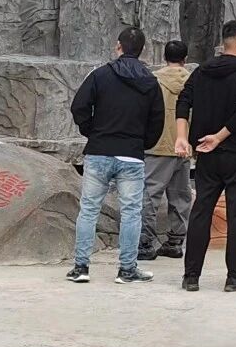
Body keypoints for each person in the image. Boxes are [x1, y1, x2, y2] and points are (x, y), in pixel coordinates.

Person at [68, 28, 164, 285]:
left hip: (99, 151)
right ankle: (127, 269)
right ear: (142, 50)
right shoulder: (150, 82)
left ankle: (81, 267)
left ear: (118, 46)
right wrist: (142, 143)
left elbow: (79, 106)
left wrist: (91, 131)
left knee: (89, 209)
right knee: (131, 212)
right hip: (131, 154)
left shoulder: (100, 75)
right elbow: (157, 120)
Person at [176, 21, 236, 293]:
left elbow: (183, 101)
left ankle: (191, 276)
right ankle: (235, 276)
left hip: (206, 153)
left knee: (201, 211)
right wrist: (220, 136)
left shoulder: (202, 70)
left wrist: (181, 136)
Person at [138, 40, 194, 262]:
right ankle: (176, 242)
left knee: (150, 195)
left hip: (158, 145)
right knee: (181, 196)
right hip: (184, 145)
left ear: (164, 57)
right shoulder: (194, 81)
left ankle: (145, 243)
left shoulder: (154, 80)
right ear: (185, 59)